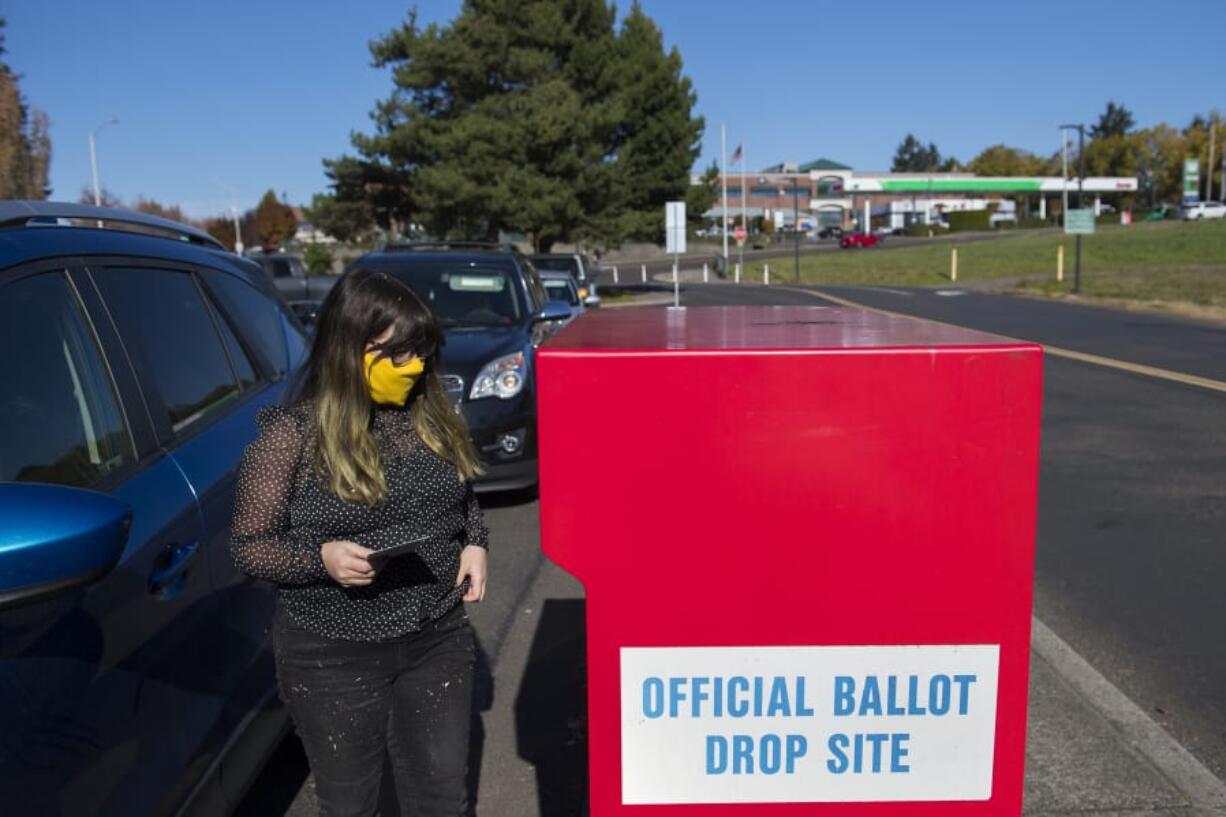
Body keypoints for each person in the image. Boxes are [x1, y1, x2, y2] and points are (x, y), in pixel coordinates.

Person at [231, 269, 489, 817]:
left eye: (420, 352)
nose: (413, 367)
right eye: (395, 353)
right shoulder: (289, 435)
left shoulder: (430, 416)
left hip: (435, 635)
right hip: (331, 652)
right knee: (350, 804)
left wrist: (475, 541)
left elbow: (462, 498)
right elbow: (250, 545)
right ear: (347, 348)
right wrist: (320, 559)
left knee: (442, 796)